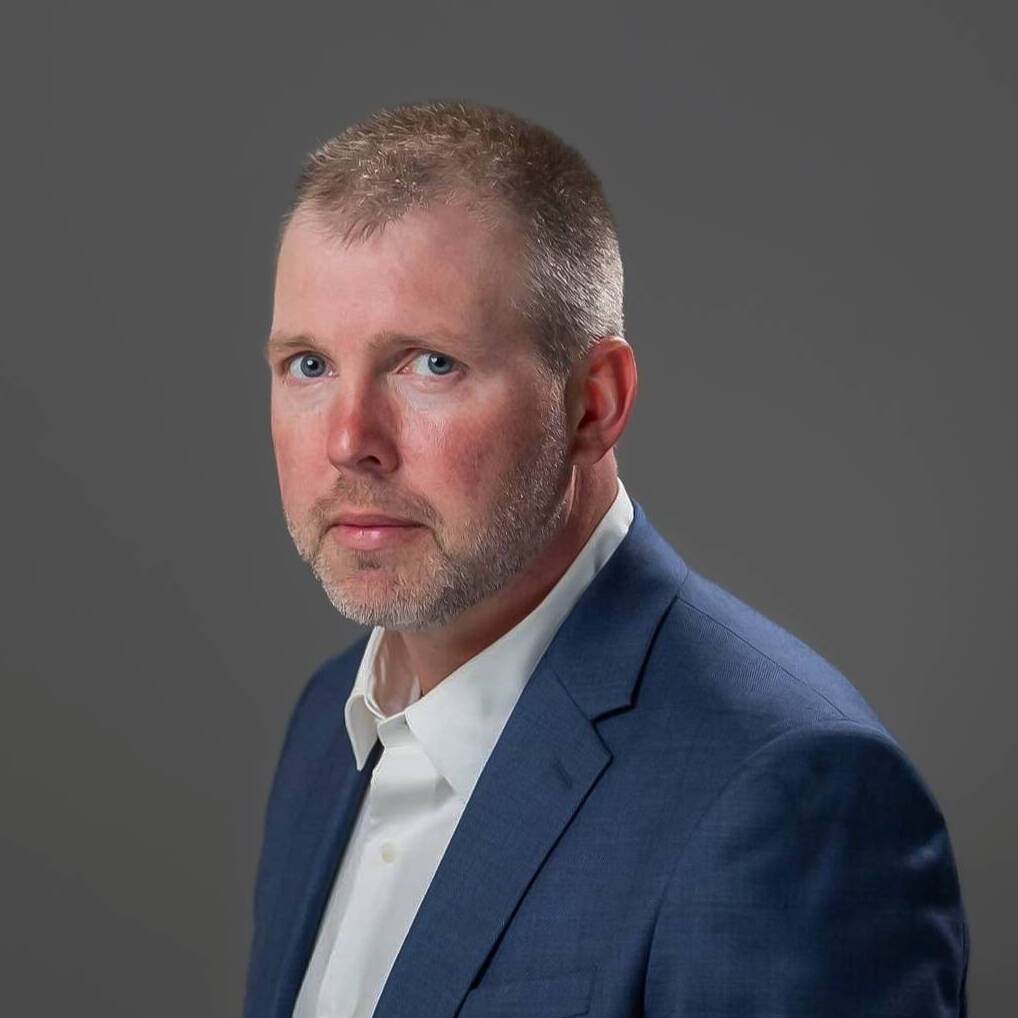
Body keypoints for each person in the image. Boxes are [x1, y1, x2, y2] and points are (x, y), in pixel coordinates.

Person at [244, 100, 969, 1018]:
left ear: (595, 404)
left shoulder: (788, 798)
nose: (351, 440)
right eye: (307, 365)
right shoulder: (327, 728)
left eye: (428, 364)